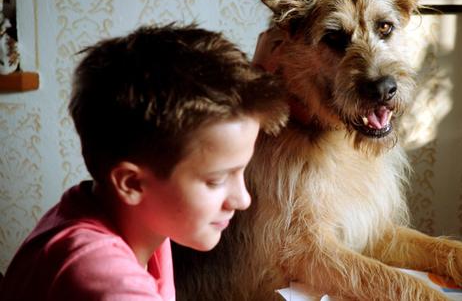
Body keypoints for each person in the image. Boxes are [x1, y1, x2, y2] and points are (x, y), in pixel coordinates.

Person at [0, 24, 288, 300]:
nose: (243, 199)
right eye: (216, 180)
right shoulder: (99, 274)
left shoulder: (139, 220)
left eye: (241, 172)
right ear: (132, 182)